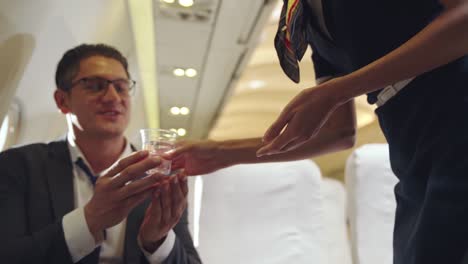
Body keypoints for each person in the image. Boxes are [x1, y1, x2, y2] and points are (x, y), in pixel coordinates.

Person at [166, 1, 468, 263]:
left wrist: (341, 90)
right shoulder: (304, 17)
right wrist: (221, 153)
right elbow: (337, 132)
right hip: (410, 148)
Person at [0, 44, 201, 264]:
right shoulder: (19, 166)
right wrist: (89, 220)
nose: (113, 97)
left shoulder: (159, 174)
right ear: (62, 101)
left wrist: (158, 242)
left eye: (121, 87)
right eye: (96, 86)